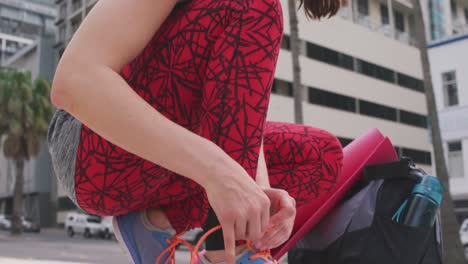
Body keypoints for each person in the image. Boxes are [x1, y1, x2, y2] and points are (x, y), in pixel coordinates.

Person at [48, 0, 343, 263]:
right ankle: (227, 254)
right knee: (254, 5)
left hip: (158, 166)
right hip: (93, 154)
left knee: (322, 156)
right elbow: (73, 83)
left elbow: (238, 115)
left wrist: (255, 191)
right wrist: (217, 171)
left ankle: (152, 223)